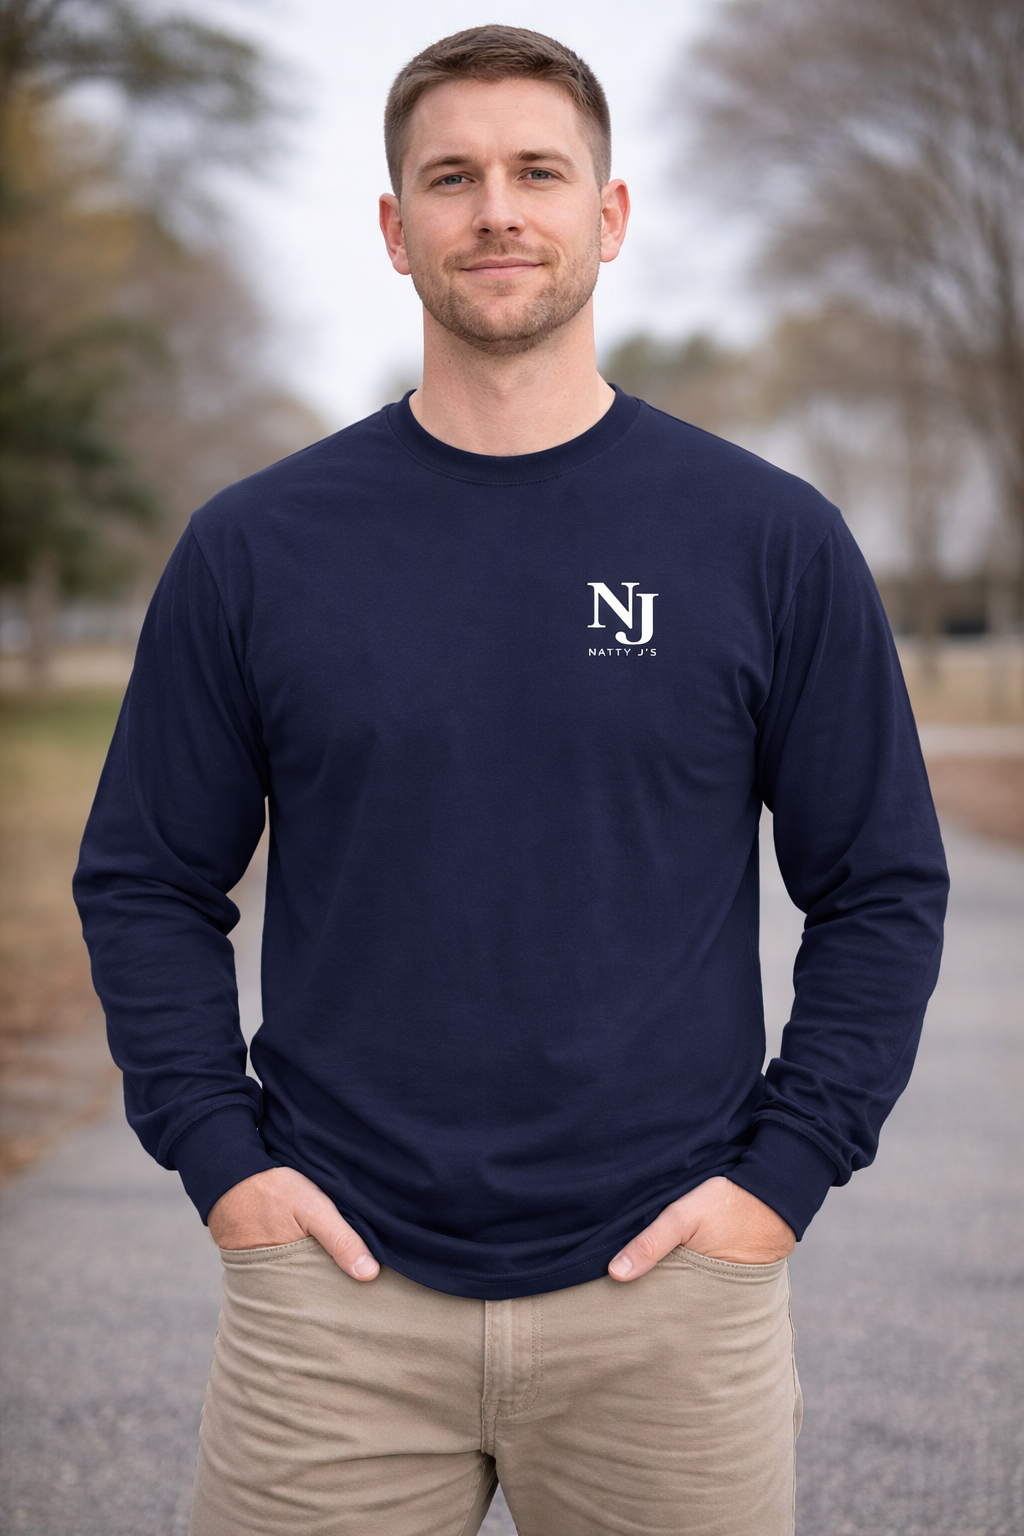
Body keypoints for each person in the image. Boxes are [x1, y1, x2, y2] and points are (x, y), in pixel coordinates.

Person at [74, 24, 949, 1536]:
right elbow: (147, 878)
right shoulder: (256, 549)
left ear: (610, 216)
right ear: (393, 226)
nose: (497, 211)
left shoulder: (767, 540)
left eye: (539, 172)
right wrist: (223, 1162)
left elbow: (880, 885)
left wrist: (784, 1179)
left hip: (670, 1301)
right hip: (332, 1302)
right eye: (452, 177)